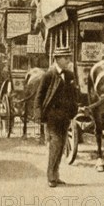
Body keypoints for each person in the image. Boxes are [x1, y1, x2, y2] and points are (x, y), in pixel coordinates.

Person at [34, 49, 78, 188]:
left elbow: (73, 95)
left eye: (69, 58)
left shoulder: (70, 75)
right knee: (56, 145)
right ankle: (51, 176)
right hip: (52, 116)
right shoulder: (49, 75)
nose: (68, 61)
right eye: (66, 58)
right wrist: (39, 114)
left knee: (61, 146)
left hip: (65, 116)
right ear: (57, 59)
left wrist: (74, 110)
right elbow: (39, 96)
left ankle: (56, 174)